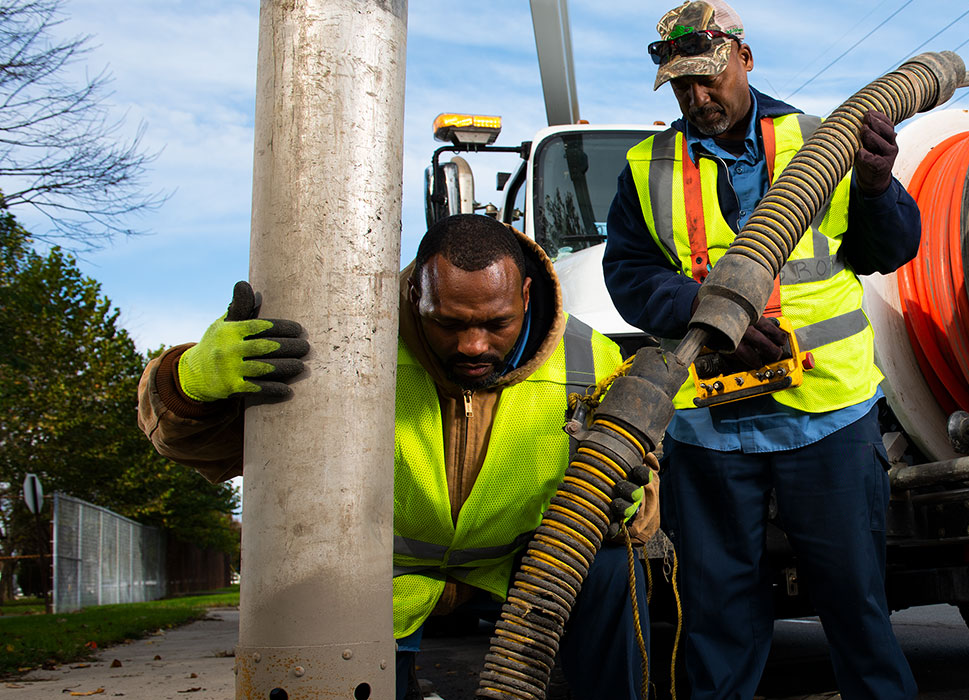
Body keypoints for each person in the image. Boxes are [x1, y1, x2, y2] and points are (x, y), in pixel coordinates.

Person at [136, 214, 655, 700]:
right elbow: (193, 447)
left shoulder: (592, 360)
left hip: (514, 565)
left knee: (612, 565)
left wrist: (628, 502)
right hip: (377, 579)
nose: (474, 345)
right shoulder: (345, 343)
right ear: (413, 294)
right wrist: (187, 384)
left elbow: (642, 486)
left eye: (497, 323)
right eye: (448, 323)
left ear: (525, 295)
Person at [602, 1, 920, 698]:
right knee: (716, 621)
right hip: (710, 427)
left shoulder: (817, 141)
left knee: (858, 609)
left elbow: (888, 250)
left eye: (708, 79)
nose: (697, 96)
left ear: (745, 60)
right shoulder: (647, 165)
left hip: (826, 416)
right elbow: (628, 276)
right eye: (683, 86)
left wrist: (874, 188)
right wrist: (708, 311)